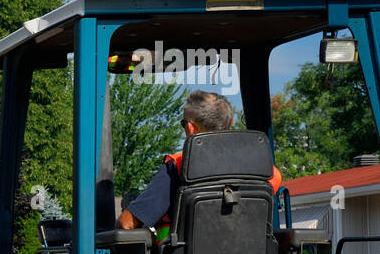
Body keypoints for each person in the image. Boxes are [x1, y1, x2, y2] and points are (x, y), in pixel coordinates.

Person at [117, 90, 281, 241]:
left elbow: (127, 224)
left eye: (183, 124)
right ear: (231, 123)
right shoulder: (268, 172)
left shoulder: (179, 166)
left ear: (190, 127)